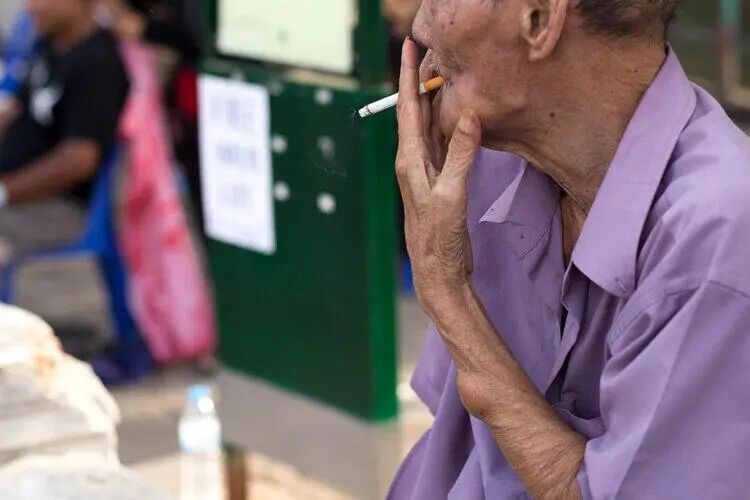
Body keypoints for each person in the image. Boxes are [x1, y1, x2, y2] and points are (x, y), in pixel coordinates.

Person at [390, 0, 750, 498]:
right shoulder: (488, 158)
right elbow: (454, 448)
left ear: (540, 18)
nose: (419, 22)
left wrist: (448, 295)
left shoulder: (714, 235)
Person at [0, 0, 129, 207]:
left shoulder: (98, 63)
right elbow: (16, 108)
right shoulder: (49, 42)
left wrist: (5, 192)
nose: (31, 6)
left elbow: (80, 159)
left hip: (49, 205)